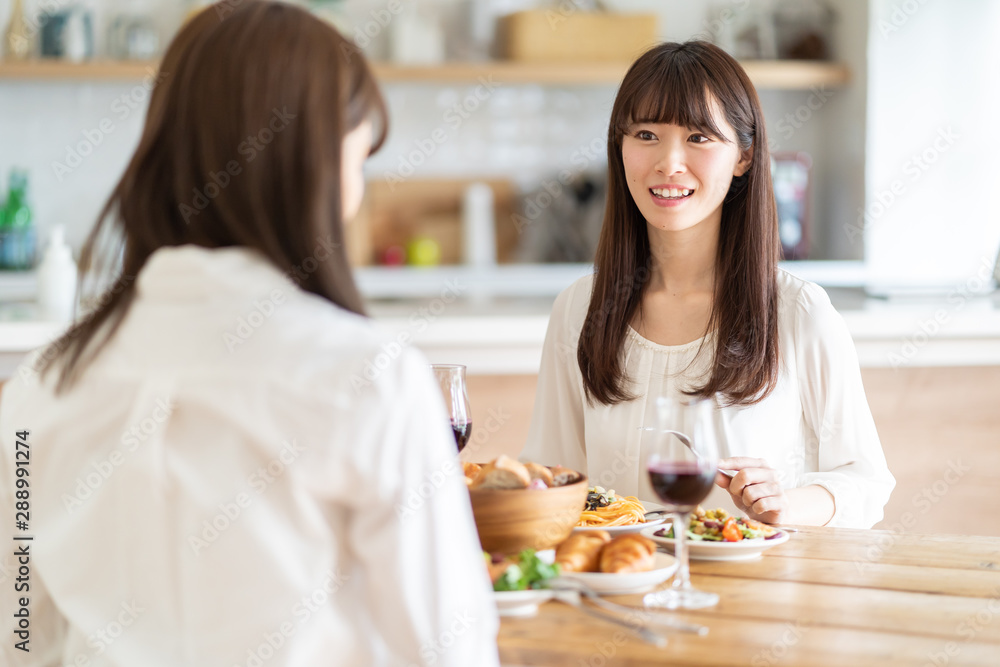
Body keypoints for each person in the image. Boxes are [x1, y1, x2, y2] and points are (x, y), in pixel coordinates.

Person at [0, 4, 499, 665]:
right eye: (356, 162)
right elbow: (451, 652)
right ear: (315, 169)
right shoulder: (372, 380)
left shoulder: (39, 389)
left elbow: (20, 639)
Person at [521, 41, 894, 529]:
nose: (669, 162)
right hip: (624, 589)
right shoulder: (580, 309)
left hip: (755, 595)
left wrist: (786, 503)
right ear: (621, 147)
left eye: (699, 137)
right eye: (646, 134)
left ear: (744, 156)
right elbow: (554, 478)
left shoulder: (798, 311)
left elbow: (866, 481)